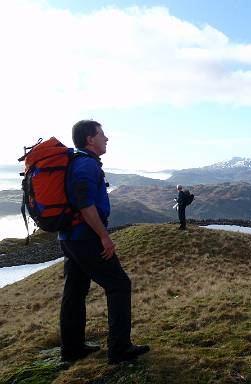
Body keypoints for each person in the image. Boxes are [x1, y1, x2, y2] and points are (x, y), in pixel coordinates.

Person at [58, 120, 149, 364]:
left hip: (70, 237)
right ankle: (119, 349)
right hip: (86, 237)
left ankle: (72, 349)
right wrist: (104, 237)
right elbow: (84, 203)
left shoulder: (78, 162)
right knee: (119, 284)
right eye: (102, 134)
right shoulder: (86, 165)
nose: (106, 138)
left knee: (75, 291)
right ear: (90, 139)